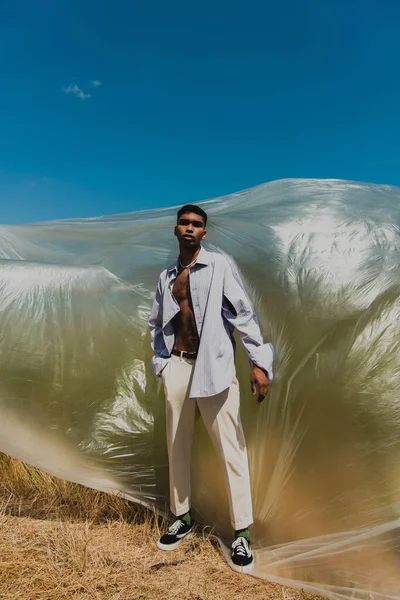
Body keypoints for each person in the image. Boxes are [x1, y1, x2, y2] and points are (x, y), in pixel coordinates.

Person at [148, 204, 274, 570]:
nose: (190, 228)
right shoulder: (165, 277)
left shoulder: (219, 266)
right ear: (175, 230)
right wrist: (163, 363)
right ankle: (182, 517)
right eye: (184, 223)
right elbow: (156, 323)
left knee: (231, 449)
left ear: (205, 232)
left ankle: (242, 535)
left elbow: (243, 314)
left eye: (197, 224)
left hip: (214, 369)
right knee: (177, 446)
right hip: (178, 367)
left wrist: (258, 363)